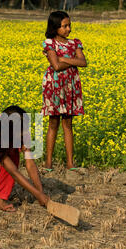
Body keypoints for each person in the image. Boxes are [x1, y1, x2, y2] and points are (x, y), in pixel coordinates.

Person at [41, 11, 87, 172]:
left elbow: (83, 62)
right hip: (54, 86)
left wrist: (63, 58)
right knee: (53, 123)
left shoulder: (75, 43)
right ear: (55, 28)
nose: (69, 29)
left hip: (70, 86)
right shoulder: (49, 43)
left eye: (69, 25)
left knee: (68, 124)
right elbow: (56, 67)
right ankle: (48, 164)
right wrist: (72, 61)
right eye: (65, 26)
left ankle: (70, 163)